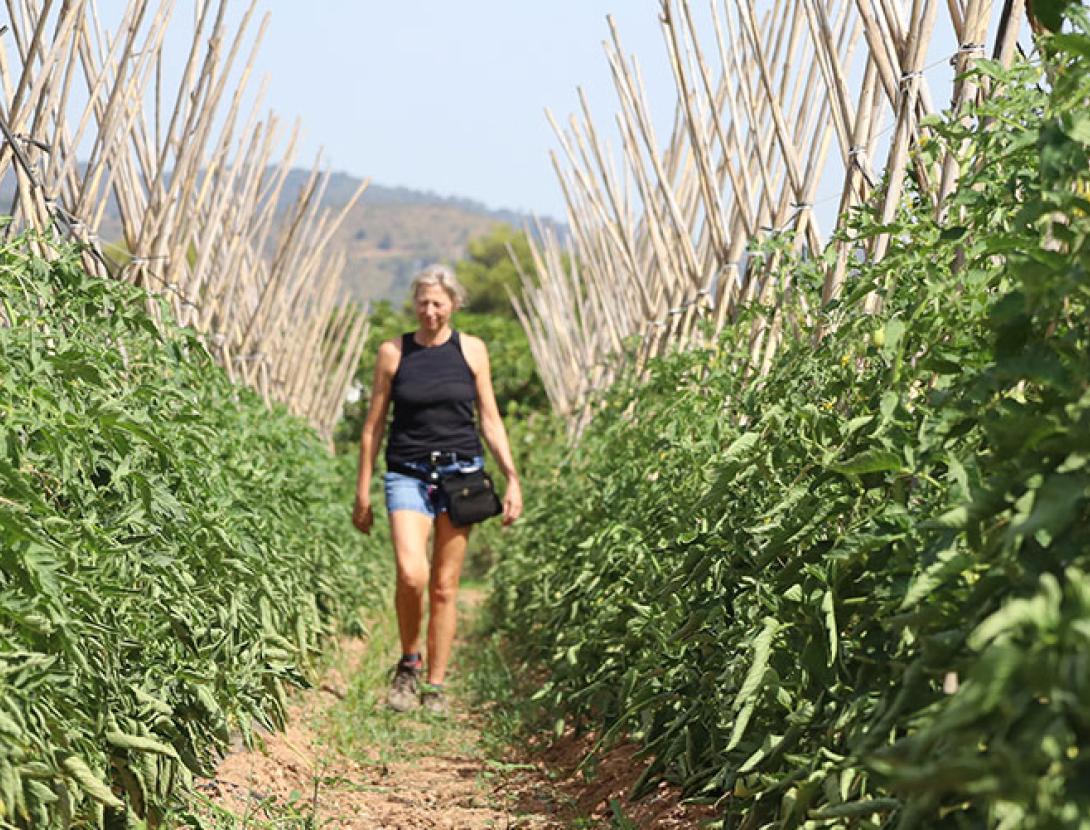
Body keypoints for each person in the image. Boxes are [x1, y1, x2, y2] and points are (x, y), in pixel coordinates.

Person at [352, 264, 523, 714]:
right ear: (415, 304)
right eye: (422, 302)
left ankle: (436, 686)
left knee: (446, 586)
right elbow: (373, 427)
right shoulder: (394, 352)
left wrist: (512, 477)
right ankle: (408, 663)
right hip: (406, 473)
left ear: (453, 304)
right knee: (413, 573)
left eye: (438, 303)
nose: (429, 311)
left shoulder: (472, 351)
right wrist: (362, 490)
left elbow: (489, 418)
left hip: (461, 477)